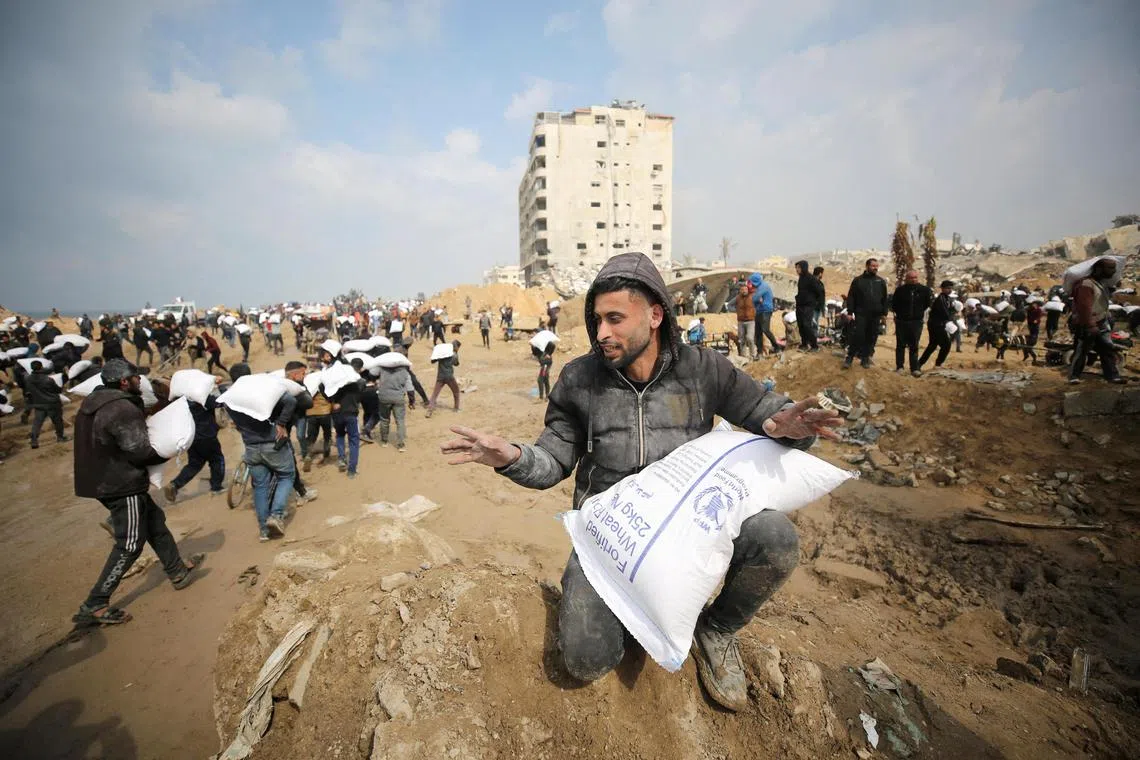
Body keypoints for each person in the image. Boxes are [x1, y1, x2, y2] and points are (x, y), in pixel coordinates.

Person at [441, 252, 840, 710]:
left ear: (655, 315)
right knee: (585, 659)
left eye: (614, 319)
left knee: (776, 537)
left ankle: (717, 631)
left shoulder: (704, 370)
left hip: (688, 530)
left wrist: (788, 428)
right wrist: (510, 457)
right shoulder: (578, 380)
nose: (601, 333)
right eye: (596, 321)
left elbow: (767, 415)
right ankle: (635, 613)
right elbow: (553, 460)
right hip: (610, 542)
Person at [72, 359, 203, 626]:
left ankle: (177, 570)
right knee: (130, 543)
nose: (138, 381)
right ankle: (95, 603)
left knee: (155, 524)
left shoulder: (94, 403)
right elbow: (139, 450)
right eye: (135, 378)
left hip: (100, 479)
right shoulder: (121, 409)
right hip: (121, 484)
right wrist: (168, 450)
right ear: (123, 382)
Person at [226, 374, 298, 540]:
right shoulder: (266, 393)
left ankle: (264, 530)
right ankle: (276, 515)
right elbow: (291, 401)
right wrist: (281, 423)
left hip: (251, 448)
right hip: (273, 444)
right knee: (286, 476)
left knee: (260, 487)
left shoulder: (232, 399)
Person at [163, 378, 225, 501]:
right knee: (217, 459)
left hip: (191, 437)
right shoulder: (202, 398)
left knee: (194, 464)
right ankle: (217, 487)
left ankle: (175, 484)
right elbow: (219, 402)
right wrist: (218, 388)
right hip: (207, 435)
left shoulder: (179, 400)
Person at [1068, 259, 1124, 385]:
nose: (1113, 271)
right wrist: (1090, 324)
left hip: (1101, 321)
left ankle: (1112, 376)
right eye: (1110, 268)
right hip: (1088, 322)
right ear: (1098, 269)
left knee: (1107, 349)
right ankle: (1074, 376)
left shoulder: (1100, 283)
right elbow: (1084, 307)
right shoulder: (1086, 284)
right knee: (1082, 349)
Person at [842, 258, 889, 369]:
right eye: (873, 266)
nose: (875, 268)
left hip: (876, 315)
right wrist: (850, 312)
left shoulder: (880, 282)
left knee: (871, 337)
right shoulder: (858, 281)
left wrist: (884, 314)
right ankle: (849, 357)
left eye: (877, 266)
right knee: (859, 335)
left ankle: (865, 358)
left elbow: (884, 299)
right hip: (861, 313)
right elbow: (851, 297)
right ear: (867, 266)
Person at [890, 270, 933, 376]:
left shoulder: (924, 290)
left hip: (916, 322)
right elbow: (894, 305)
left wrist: (917, 313)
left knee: (914, 345)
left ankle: (914, 368)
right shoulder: (900, 290)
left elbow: (927, 304)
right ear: (906, 279)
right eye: (911, 278)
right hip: (902, 321)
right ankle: (900, 367)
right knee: (900, 345)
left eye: (915, 278)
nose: (913, 279)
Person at [331, 358, 365, 478]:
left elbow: (321, 386)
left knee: (340, 435)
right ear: (360, 369)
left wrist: (332, 402)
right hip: (351, 413)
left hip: (337, 413)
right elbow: (360, 395)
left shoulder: (338, 379)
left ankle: (341, 459)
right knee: (354, 441)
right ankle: (351, 470)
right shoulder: (360, 382)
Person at [26, 360, 69, 448]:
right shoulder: (48, 379)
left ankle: (34, 441)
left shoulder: (28, 379)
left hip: (38, 404)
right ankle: (60, 437)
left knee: (37, 423)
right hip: (52, 403)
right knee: (57, 421)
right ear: (41, 367)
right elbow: (58, 390)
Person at [916, 280, 956, 373]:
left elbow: (949, 311)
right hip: (936, 325)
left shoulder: (947, 298)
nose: (949, 290)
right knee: (946, 345)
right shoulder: (941, 298)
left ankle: (919, 364)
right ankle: (938, 364)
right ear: (942, 289)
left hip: (939, 324)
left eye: (951, 288)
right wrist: (951, 318)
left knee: (932, 345)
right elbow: (946, 313)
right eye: (947, 288)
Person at [375, 358, 410, 451]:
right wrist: (412, 400)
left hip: (384, 398)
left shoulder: (381, 368)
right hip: (398, 398)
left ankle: (384, 441)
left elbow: (372, 373)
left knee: (384, 419)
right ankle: (401, 445)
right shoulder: (404, 371)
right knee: (400, 421)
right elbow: (410, 387)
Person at [794, 260, 825, 351]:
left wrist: (814, 302)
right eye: (796, 268)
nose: (797, 269)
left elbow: (819, 291)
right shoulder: (801, 278)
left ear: (803, 267)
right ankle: (804, 344)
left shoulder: (811, 278)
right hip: (800, 305)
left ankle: (814, 345)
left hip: (808, 306)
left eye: (798, 267)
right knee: (801, 326)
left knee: (807, 325)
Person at [426, 340, 461, 417]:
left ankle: (429, 411)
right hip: (449, 377)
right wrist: (456, 353)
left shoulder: (442, 354)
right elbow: (456, 364)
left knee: (435, 394)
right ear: (456, 347)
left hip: (440, 376)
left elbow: (433, 361)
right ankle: (456, 408)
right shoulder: (454, 355)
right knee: (456, 391)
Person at [750, 273, 780, 355]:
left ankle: (777, 347)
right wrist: (756, 300)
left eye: (752, 282)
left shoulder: (763, 286)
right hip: (759, 311)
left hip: (765, 310)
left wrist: (756, 299)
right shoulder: (759, 287)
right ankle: (759, 352)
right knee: (758, 332)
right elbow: (754, 300)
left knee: (765, 329)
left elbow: (754, 298)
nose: (751, 284)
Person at [734, 276, 756, 360]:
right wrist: (736, 311)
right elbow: (730, 305)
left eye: (745, 289)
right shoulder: (737, 298)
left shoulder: (752, 296)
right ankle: (743, 356)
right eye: (742, 290)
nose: (744, 291)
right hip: (740, 321)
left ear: (747, 290)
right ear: (740, 290)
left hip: (751, 321)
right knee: (741, 339)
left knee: (750, 338)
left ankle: (753, 355)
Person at [812, 267, 826, 332]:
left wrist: (823, 309)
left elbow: (822, 297)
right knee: (812, 325)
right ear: (820, 273)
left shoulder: (820, 283)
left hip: (817, 308)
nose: (822, 275)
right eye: (822, 273)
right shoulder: (811, 282)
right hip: (812, 308)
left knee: (815, 325)